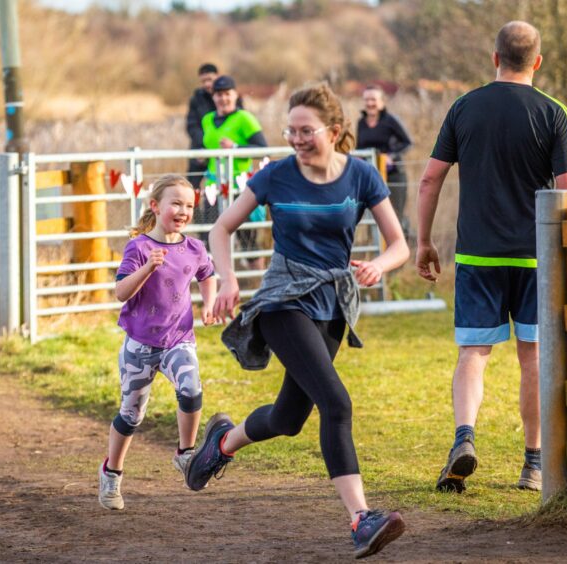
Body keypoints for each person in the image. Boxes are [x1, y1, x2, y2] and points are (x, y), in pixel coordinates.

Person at [186, 82, 410, 559]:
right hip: (282, 302)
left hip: (332, 305)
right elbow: (221, 227)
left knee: (288, 419)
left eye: (306, 131)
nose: (296, 139)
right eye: (291, 130)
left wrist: (380, 265)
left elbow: (399, 243)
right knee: (337, 403)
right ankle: (360, 519)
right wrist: (227, 281)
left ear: (333, 130)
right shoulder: (275, 176)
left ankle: (220, 444)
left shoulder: (362, 177)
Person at [415, 21, 567, 494]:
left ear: (494, 58)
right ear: (537, 62)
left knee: (473, 354)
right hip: (537, 259)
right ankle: (533, 464)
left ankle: (463, 439)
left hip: (477, 255)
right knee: (532, 360)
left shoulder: (463, 107)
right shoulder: (555, 113)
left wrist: (424, 241)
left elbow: (430, 179)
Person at [98, 174, 217, 510]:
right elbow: (121, 292)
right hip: (140, 344)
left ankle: (185, 453)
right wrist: (148, 268)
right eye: (176, 203)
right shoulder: (140, 248)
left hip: (179, 339)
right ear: (155, 206)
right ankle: (112, 473)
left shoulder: (194, 247)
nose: (183, 210)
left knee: (191, 388)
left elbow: (207, 276)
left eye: (189, 205)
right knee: (131, 414)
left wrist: (209, 304)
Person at [201, 75, 268, 270]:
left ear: (235, 95)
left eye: (227, 94)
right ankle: (217, 286)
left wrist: (236, 147)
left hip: (239, 185)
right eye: (218, 94)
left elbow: (263, 149)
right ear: (213, 97)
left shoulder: (244, 118)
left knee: (247, 237)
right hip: (214, 187)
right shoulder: (207, 120)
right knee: (211, 236)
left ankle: (256, 284)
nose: (223, 98)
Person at [356, 85, 413, 236]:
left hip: (393, 175)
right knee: (375, 216)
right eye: (367, 99)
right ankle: (377, 251)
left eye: (373, 99)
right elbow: (360, 147)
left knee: (396, 215)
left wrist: (390, 156)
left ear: (382, 102)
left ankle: (404, 246)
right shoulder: (361, 123)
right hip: (371, 176)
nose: (370, 103)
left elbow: (407, 142)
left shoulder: (391, 120)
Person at [186, 63, 219, 191]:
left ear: (217, 77)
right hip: (199, 148)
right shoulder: (196, 98)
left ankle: (215, 211)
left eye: (209, 79)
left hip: (220, 149)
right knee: (192, 188)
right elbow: (191, 126)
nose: (207, 84)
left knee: (219, 187)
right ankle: (194, 212)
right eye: (203, 81)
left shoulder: (228, 95)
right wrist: (204, 146)